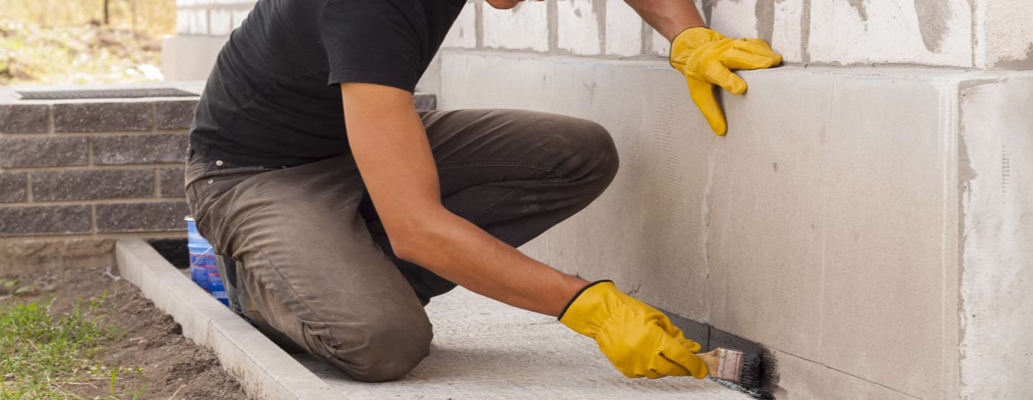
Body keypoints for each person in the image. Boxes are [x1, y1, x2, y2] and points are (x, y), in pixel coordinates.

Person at [185, 0, 782, 382]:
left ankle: (347, 271)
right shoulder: (369, 10)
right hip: (254, 174)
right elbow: (416, 229)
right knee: (382, 342)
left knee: (575, 153)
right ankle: (267, 286)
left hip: (356, 143)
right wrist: (590, 308)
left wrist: (687, 35)